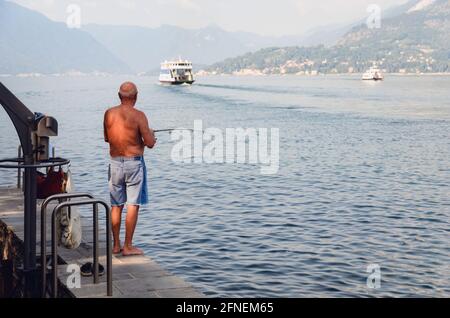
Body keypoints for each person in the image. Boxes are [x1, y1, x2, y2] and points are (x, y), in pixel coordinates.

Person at [103, 82, 157, 256]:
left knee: (116, 205)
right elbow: (149, 144)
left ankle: (116, 245)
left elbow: (107, 138)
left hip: (114, 163)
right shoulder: (139, 116)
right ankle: (128, 246)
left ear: (119, 96)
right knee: (132, 205)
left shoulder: (109, 113)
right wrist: (151, 135)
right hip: (134, 164)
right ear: (136, 96)